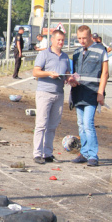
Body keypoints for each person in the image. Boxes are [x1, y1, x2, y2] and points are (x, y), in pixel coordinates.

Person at [68, 25, 109, 166]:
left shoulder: (101, 50)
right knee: (81, 124)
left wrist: (100, 93)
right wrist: (71, 80)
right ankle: (84, 153)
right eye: (79, 38)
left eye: (84, 38)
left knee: (88, 124)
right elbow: (73, 72)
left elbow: (105, 73)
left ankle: (93, 155)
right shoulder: (77, 52)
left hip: (92, 92)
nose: (82, 41)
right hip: (78, 93)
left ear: (90, 36)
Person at [31, 29, 71, 164]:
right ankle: (37, 154)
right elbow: (36, 72)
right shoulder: (44, 54)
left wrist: (71, 78)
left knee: (52, 126)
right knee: (41, 124)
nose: (61, 42)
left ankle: (47, 153)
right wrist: (49, 73)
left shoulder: (65, 57)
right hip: (44, 93)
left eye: (63, 40)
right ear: (52, 40)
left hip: (59, 94)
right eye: (58, 40)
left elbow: (67, 73)